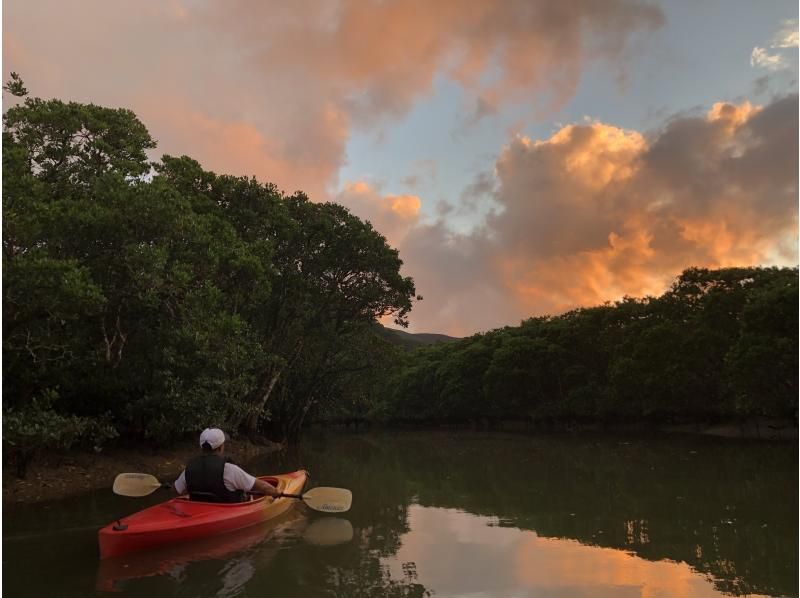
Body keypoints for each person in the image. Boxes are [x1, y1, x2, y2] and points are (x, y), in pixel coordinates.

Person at [173, 428, 281, 502]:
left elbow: (179, 490)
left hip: (198, 512)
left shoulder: (189, 468)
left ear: (202, 448)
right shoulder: (228, 469)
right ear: (220, 448)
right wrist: (276, 492)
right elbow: (260, 486)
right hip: (225, 513)